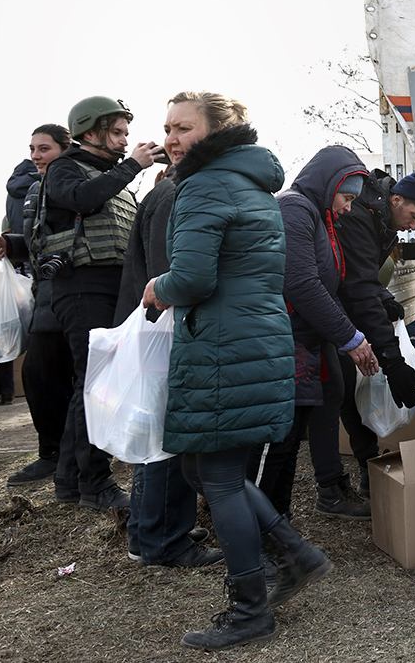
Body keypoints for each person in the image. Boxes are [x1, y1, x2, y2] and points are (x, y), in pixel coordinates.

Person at [141, 91, 330, 651]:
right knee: (205, 471)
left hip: (224, 347)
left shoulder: (200, 186)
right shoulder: (250, 182)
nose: (172, 138)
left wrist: (159, 288)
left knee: (217, 477)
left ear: (216, 130)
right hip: (251, 340)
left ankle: (251, 607)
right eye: (167, 128)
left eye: (183, 127)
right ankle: (294, 553)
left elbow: (194, 278)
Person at [0, 97, 163, 510]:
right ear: (90, 131)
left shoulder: (111, 177)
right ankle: (96, 484)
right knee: (97, 384)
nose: (125, 141)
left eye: (127, 133)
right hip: (83, 286)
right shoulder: (65, 167)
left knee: (90, 384)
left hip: (111, 287)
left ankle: (72, 480)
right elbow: (83, 198)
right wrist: (133, 167)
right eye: (117, 132)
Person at [248, 145, 378, 520]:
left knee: (327, 398)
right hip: (289, 337)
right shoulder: (294, 208)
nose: (348, 207)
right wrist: (350, 338)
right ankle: (265, 522)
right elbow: (302, 284)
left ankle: (303, 504)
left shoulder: (318, 213)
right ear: (329, 183)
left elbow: (329, 282)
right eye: (347, 197)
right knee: (282, 437)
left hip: (309, 335)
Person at [113, 118, 219, 568]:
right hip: (164, 334)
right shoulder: (177, 195)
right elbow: (165, 277)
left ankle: (149, 530)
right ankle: (162, 539)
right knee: (167, 439)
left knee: (163, 436)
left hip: (160, 333)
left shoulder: (171, 191)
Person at [335, 166, 415, 494]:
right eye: (413, 215)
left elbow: (362, 276)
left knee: (339, 391)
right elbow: (358, 285)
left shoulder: (382, 220)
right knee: (331, 394)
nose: (413, 226)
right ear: (396, 199)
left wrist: (384, 297)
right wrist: (393, 363)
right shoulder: (359, 215)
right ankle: (331, 488)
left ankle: (364, 466)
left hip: (339, 304)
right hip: (321, 310)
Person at [4, 125, 74, 484]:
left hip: (75, 291)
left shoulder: (74, 184)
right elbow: (40, 241)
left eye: (44, 148)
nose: (35, 155)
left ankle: (62, 455)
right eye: (32, 148)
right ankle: (55, 452)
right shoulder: (34, 189)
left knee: (44, 373)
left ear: (66, 149)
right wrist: (12, 244)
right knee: (41, 374)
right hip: (46, 291)